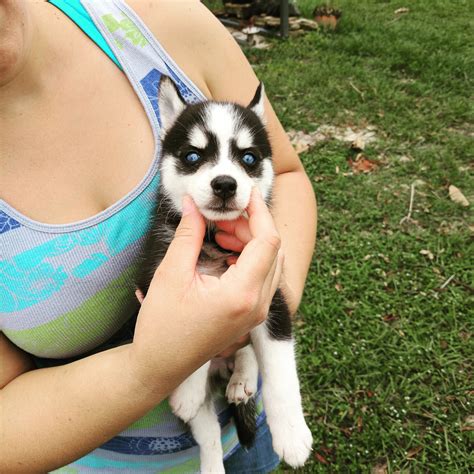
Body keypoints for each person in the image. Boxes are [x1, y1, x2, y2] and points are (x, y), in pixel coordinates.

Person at [0, 0, 317, 472]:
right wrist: (154, 367)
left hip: (246, 444)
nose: (225, 177)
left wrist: (260, 299)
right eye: (195, 158)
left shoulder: (163, 19)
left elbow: (286, 173)